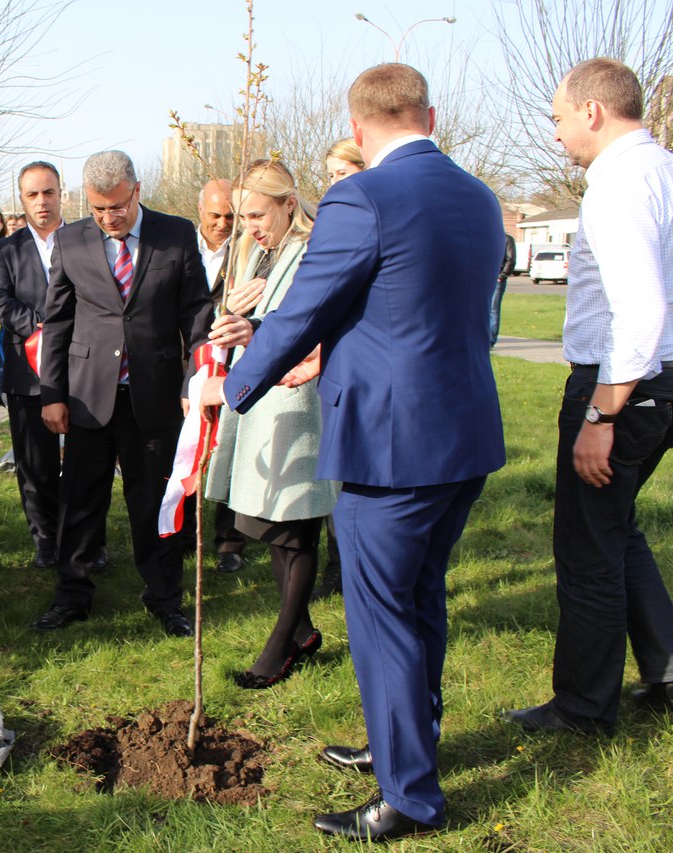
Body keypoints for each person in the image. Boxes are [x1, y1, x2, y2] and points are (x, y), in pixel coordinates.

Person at [201, 64, 504, 841]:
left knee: (381, 618)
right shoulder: (477, 196)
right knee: (420, 601)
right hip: (463, 434)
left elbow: (304, 308)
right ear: (429, 114)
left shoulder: (361, 195)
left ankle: (410, 795)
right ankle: (406, 747)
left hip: (391, 447)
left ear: (360, 126)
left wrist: (228, 391)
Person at [504, 58, 673, 734]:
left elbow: (638, 313)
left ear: (592, 111)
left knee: (588, 547)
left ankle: (584, 707)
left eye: (558, 119)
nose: (556, 134)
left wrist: (600, 414)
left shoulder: (617, 184)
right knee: (617, 526)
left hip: (624, 385)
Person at [32, 150, 212, 638]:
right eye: (98, 210)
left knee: (154, 500)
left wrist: (194, 381)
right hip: (89, 397)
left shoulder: (175, 235)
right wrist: (53, 394)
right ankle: (72, 595)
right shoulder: (70, 241)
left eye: (118, 207)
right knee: (80, 503)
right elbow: (59, 321)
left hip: (153, 396)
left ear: (136, 191)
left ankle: (165, 599)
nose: (109, 218)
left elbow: (195, 314)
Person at [202, 160, 337, 689]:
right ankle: (300, 629)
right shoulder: (258, 251)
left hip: (298, 399)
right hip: (262, 399)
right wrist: (231, 316)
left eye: (258, 213)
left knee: (295, 522)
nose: (250, 225)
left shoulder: (314, 250)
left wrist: (255, 327)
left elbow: (311, 320)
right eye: (242, 215)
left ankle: (282, 645)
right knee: (269, 524)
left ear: (289, 204)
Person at [0, 163, 65, 569]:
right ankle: (45, 538)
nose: (42, 201)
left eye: (48, 192)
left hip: (80, 372)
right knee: (35, 464)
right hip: (26, 372)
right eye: (33, 195)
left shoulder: (85, 240)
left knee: (85, 464)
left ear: (60, 193)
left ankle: (84, 538)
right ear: (22, 199)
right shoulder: (7, 250)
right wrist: (39, 327)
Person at [311, 138, 365, 602]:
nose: (334, 184)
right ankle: (339, 567)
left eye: (341, 173)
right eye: (328, 176)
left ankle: (349, 568)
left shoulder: (358, 220)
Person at [194, 177, 246, 574]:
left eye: (230, 215)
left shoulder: (249, 251)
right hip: (185, 360)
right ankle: (180, 533)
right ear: (200, 212)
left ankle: (229, 541)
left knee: (228, 447)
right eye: (215, 215)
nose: (223, 223)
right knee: (187, 448)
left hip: (233, 362)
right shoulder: (179, 245)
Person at [488, 233, 517, 349]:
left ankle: (490, 340)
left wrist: (502, 275)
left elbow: (511, 259)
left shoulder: (507, 239)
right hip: (485, 278)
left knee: (493, 310)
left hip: (497, 278)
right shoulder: (488, 237)